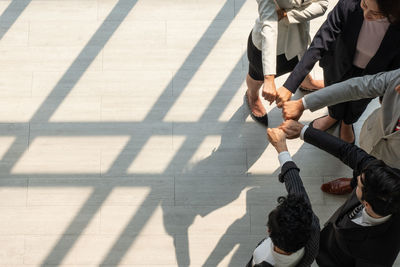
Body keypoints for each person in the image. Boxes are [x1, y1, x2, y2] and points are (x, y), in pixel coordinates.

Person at [275, 0, 400, 143]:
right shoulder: (349, 4)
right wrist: (289, 85)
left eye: (376, 13)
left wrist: (388, 97)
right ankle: (333, 116)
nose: (366, 15)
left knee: (359, 104)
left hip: (373, 73)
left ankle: (347, 123)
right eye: (364, 5)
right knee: (332, 92)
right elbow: (319, 43)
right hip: (338, 64)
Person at [280, 120, 400, 266]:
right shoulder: (389, 179)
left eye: (359, 183)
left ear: (366, 204)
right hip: (331, 235)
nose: (356, 177)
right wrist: (303, 131)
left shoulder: (377, 255)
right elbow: (347, 151)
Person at [281, 68, 400, 194]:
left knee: (376, 190)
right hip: (373, 135)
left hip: (394, 172)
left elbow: (349, 153)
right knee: (361, 168)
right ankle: (355, 182)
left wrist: (304, 131)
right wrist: (303, 103)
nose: (397, 89)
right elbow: (358, 86)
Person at [245, 0, 328, 126]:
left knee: (301, 64)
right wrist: (269, 77)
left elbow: (322, 5)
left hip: (298, 38)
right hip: (270, 47)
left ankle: (306, 82)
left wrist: (287, 14)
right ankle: (252, 95)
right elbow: (269, 25)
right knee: (257, 77)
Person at [246, 128, 320, 266]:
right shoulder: (312, 228)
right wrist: (282, 149)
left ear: (269, 230)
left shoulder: (261, 257)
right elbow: (297, 189)